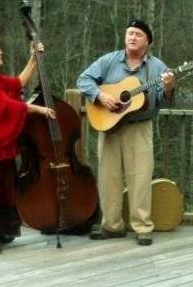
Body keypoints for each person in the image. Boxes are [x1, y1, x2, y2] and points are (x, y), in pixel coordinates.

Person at [77, 20, 175, 246]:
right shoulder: (110, 60)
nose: (132, 37)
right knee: (108, 178)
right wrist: (100, 96)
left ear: (147, 41)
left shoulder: (158, 67)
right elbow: (84, 79)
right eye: (129, 33)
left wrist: (169, 86)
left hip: (140, 128)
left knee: (140, 178)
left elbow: (163, 98)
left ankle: (142, 227)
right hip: (109, 127)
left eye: (138, 34)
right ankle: (111, 226)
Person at [0, 32, 55, 254]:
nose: (0, 51)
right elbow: (7, 105)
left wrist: (33, 59)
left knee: (1, 186)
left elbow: (17, 83)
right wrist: (39, 108)